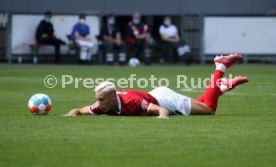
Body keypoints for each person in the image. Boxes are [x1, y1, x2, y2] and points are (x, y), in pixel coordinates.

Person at [64, 54, 249, 118]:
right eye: (98, 100)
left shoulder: (131, 101)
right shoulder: (104, 105)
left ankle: (220, 66)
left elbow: (161, 110)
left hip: (164, 99)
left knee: (208, 110)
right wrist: (69, 115)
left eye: (101, 100)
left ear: (113, 97)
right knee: (199, 106)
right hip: (154, 94)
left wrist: (162, 117)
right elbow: (79, 110)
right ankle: (222, 87)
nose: (99, 104)